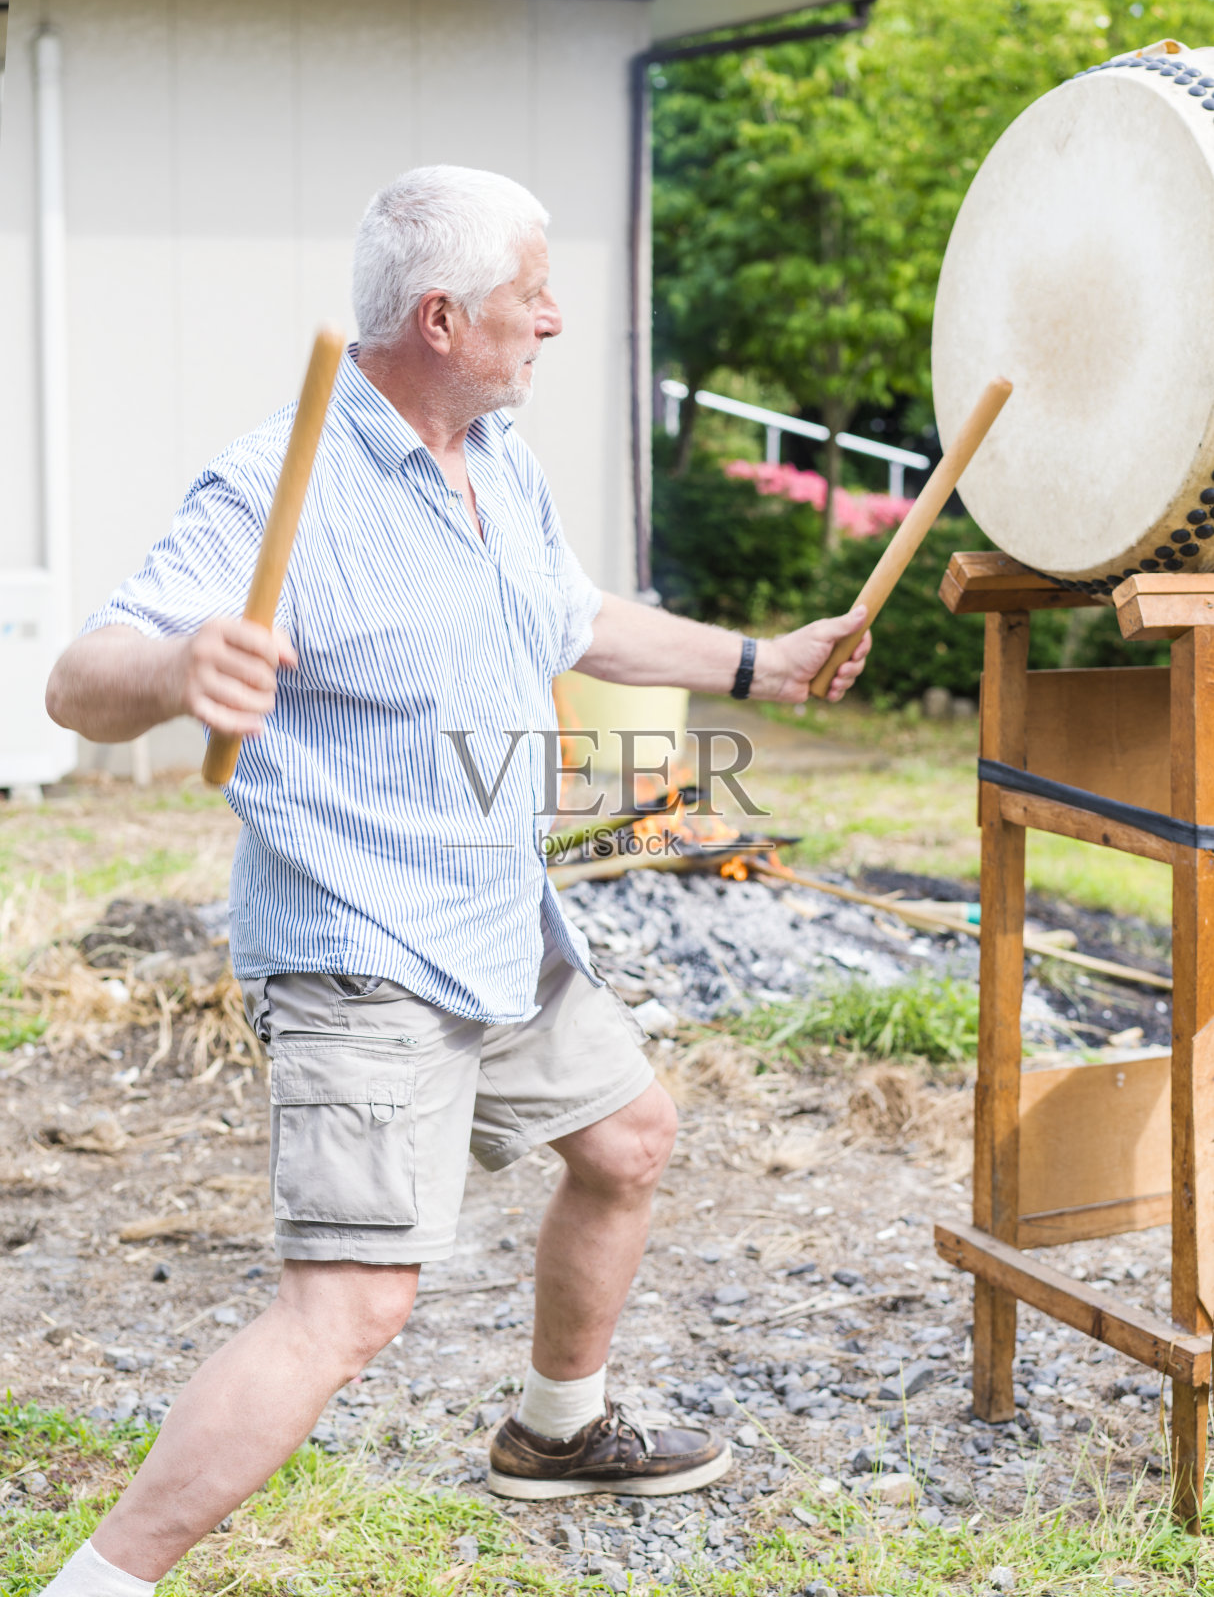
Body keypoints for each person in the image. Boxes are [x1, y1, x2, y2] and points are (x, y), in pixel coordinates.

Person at [41, 165, 870, 1596]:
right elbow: (79, 678)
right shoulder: (279, 483)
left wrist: (761, 665)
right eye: (529, 295)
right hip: (363, 943)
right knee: (352, 1303)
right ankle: (95, 1584)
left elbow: (571, 617)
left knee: (628, 1142)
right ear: (441, 317)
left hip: (495, 919)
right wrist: (180, 666)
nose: (552, 319)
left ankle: (556, 1431)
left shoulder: (495, 457)